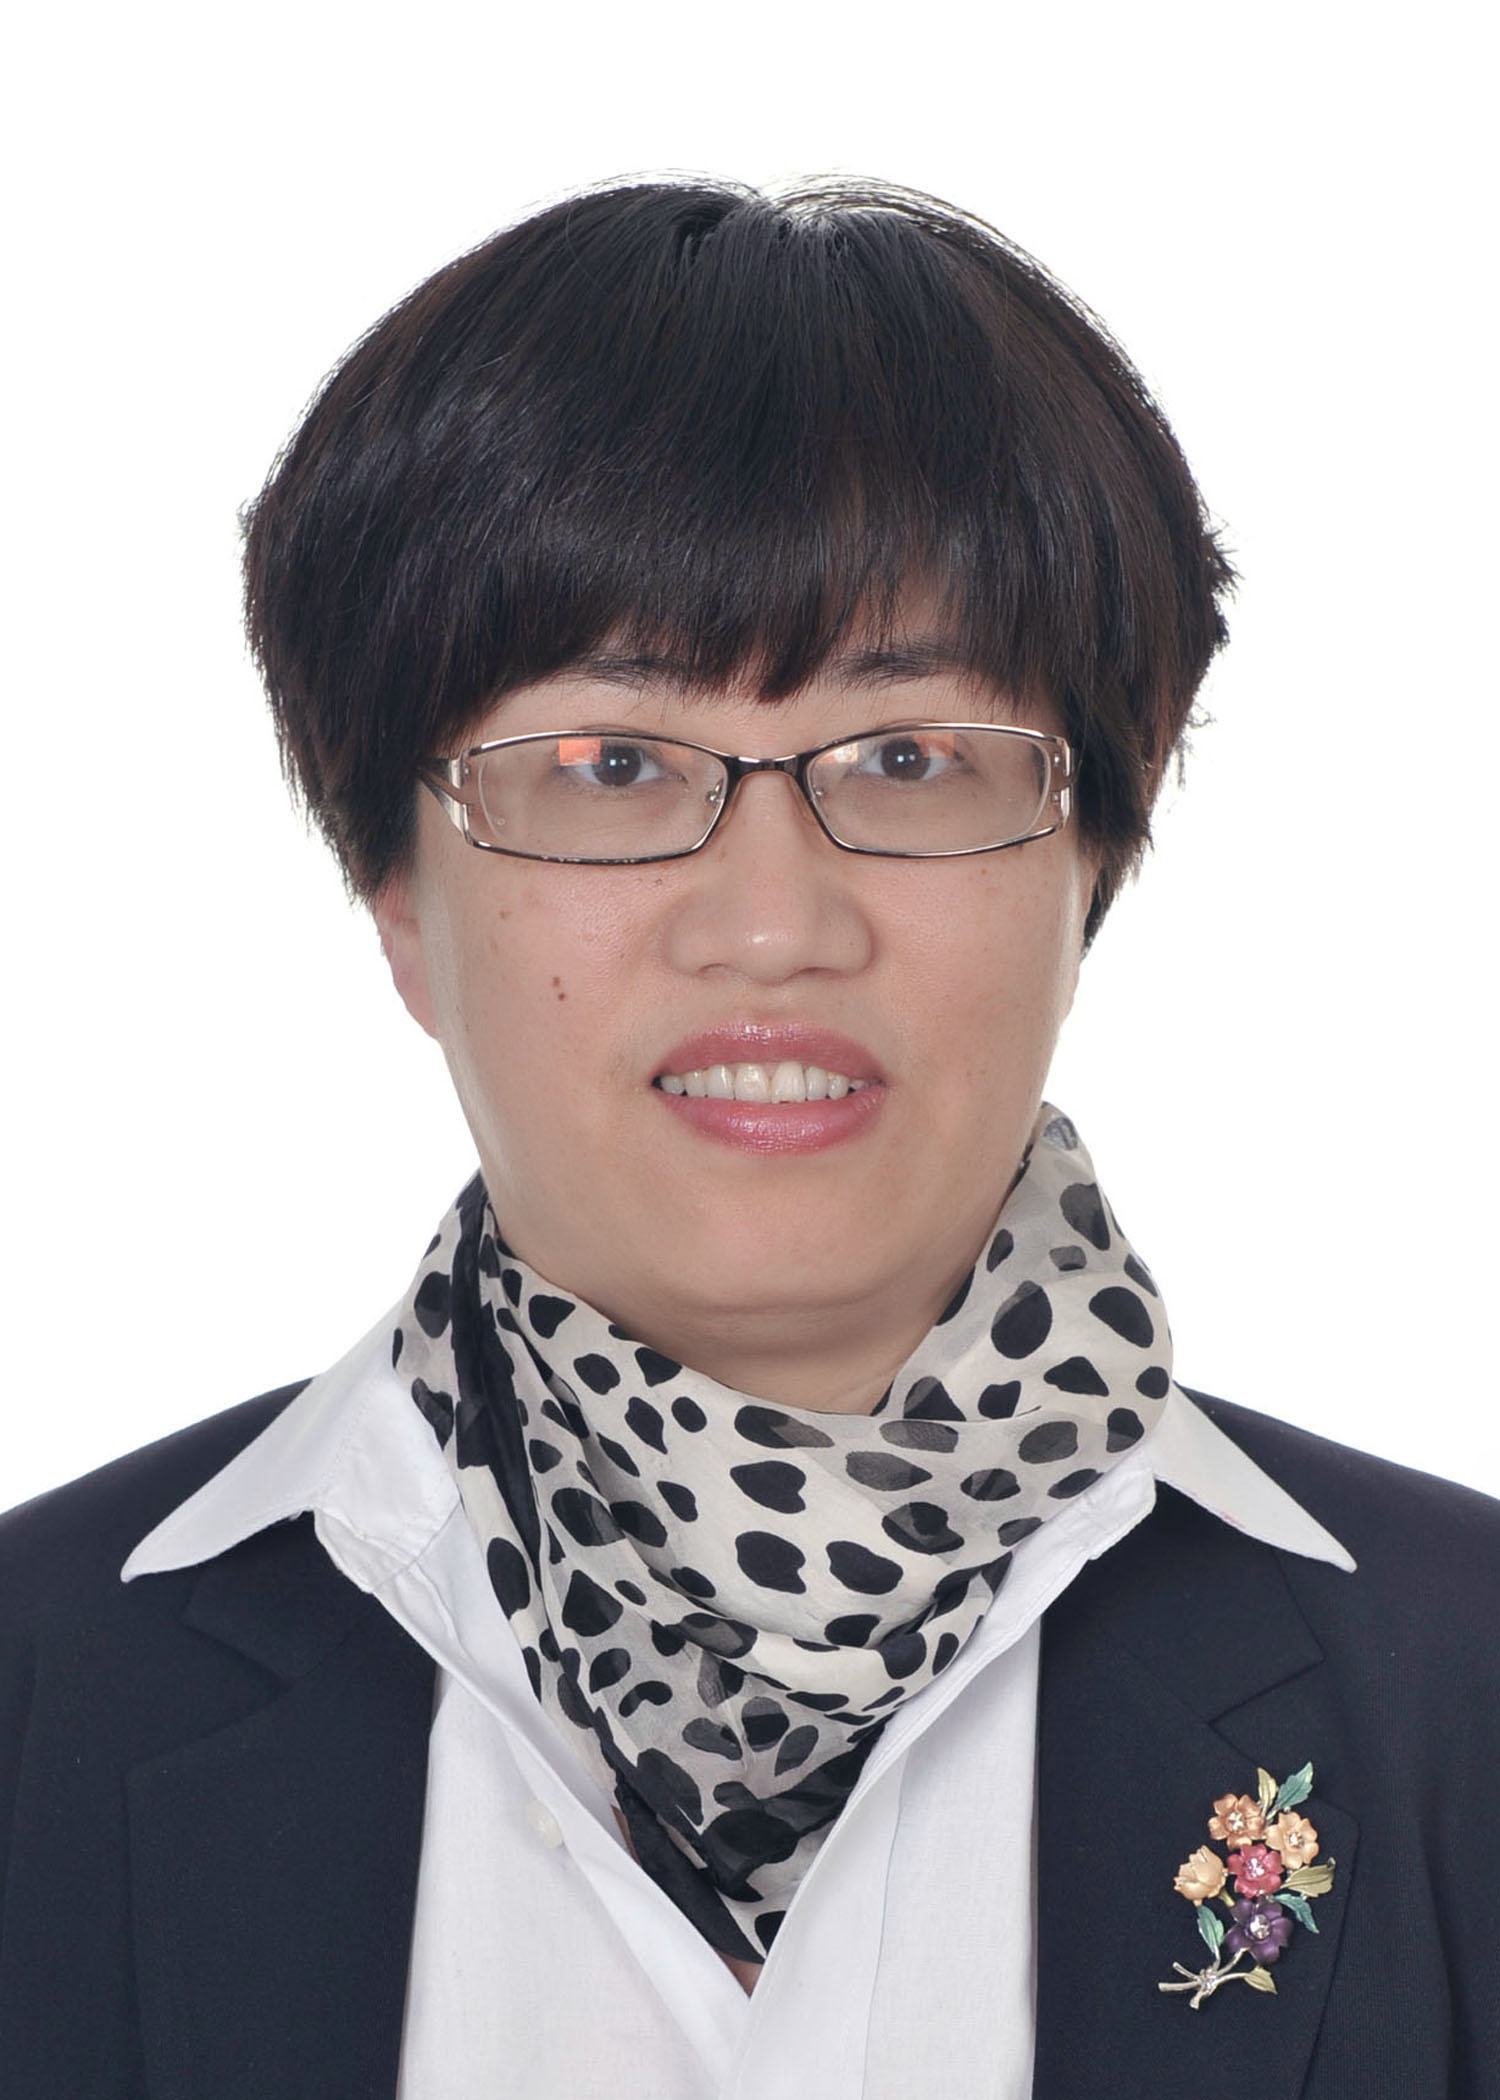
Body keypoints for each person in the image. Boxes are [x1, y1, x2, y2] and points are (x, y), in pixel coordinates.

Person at [1, 177, 1496, 2100]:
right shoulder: (36, 1696)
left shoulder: (1465, 1692)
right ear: (397, 897)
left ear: (1094, 864)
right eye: (611, 764)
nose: (774, 923)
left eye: (909, 757)